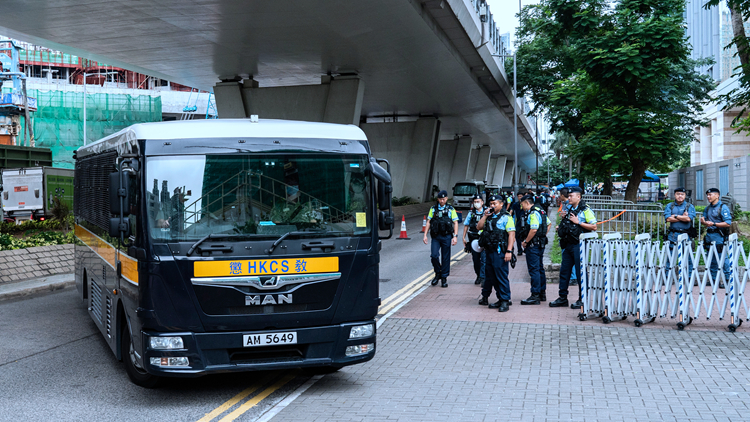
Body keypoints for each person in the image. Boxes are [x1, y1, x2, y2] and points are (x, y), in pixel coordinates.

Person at [551, 186, 596, 309]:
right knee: (564, 272)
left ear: (579, 197)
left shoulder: (585, 210)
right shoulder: (569, 208)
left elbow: (594, 227)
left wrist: (579, 222)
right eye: (568, 195)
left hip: (579, 245)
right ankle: (562, 298)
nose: (568, 198)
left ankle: (583, 299)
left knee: (580, 273)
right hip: (568, 244)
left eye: (571, 196)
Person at [476, 194, 516, 312]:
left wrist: (509, 251)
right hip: (489, 251)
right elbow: (479, 227)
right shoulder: (489, 216)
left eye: (495, 204)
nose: (492, 206)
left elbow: (511, 235)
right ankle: (500, 298)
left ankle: (505, 300)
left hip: (500, 251)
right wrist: (484, 216)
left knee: (501, 276)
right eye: (491, 204)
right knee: (492, 276)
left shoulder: (506, 217)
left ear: (502, 204)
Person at [423, 190, 459, 288]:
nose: (442, 201)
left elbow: (455, 222)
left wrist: (455, 236)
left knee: (445, 258)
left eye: (443, 199)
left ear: (446, 198)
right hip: (436, 236)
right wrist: (425, 235)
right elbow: (429, 221)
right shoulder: (433, 209)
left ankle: (444, 277)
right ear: (438, 199)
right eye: (440, 199)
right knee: (434, 255)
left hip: (447, 236)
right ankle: (437, 272)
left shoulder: (450, 209)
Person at [518, 195, 549, 305]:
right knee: (540, 268)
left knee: (534, 270)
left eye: (522, 205)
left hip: (533, 245)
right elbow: (548, 224)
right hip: (540, 244)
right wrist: (542, 236)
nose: (522, 207)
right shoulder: (541, 210)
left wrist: (526, 241)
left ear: (527, 203)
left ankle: (535, 295)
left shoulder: (532, 213)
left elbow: (534, 229)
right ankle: (542, 293)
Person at [700, 187, 732, 288]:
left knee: (722, 257)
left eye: (711, 195)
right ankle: (714, 279)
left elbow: (727, 223)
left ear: (717, 195)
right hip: (709, 235)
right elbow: (706, 222)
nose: (708, 197)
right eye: (707, 195)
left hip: (719, 235)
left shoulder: (723, 207)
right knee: (711, 257)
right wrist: (704, 222)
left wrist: (714, 223)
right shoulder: (708, 208)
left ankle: (727, 279)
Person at [664, 187, 695, 277]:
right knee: (670, 257)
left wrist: (676, 216)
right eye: (678, 194)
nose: (680, 196)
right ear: (674, 195)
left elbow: (689, 219)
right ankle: (667, 276)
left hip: (686, 235)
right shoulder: (670, 206)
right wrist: (682, 217)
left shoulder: (689, 206)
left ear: (685, 195)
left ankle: (689, 277)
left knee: (688, 257)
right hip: (673, 235)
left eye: (682, 194)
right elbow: (668, 219)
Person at [462, 193, 487, 285]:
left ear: (482, 202)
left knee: (484, 259)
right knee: (476, 259)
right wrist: (463, 237)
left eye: (478, 201)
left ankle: (483, 277)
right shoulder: (471, 213)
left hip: (484, 239)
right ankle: (478, 275)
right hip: (474, 238)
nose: (476, 203)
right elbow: (466, 225)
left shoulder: (487, 212)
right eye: (475, 202)